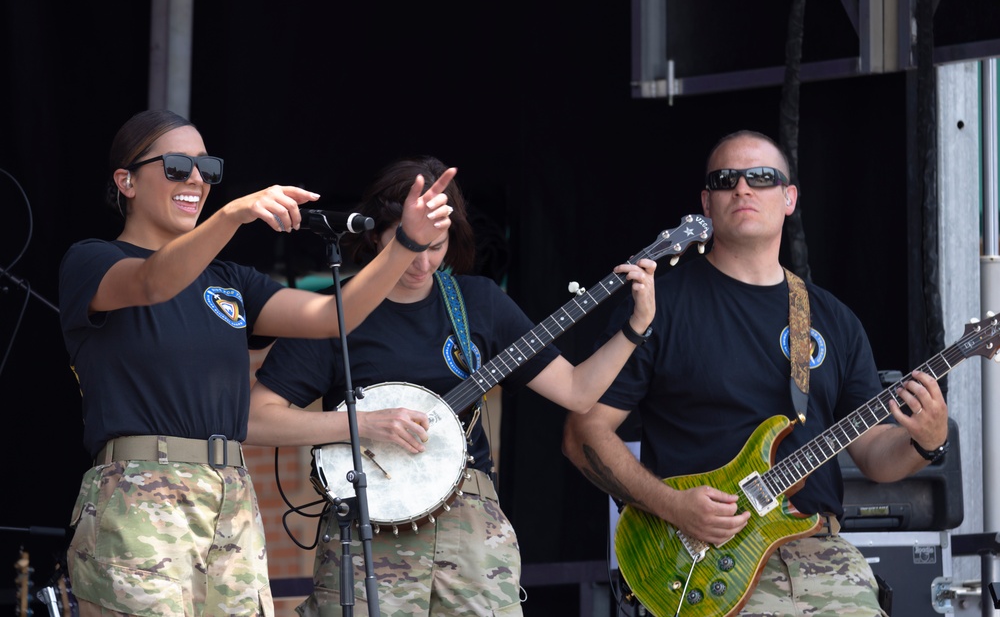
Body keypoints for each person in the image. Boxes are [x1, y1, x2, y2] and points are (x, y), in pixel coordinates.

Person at [58, 109, 455, 617]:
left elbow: (333, 315)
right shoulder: (91, 261)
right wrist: (233, 214)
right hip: (139, 494)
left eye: (208, 169)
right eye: (178, 165)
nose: (197, 179)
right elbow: (152, 282)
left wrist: (405, 245)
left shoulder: (231, 279)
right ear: (126, 181)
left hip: (231, 496)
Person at [245, 154, 658, 617]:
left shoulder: (478, 302)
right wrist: (362, 424)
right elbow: (256, 419)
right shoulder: (333, 313)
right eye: (408, 244)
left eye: (436, 246)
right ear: (377, 235)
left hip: (470, 525)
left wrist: (635, 328)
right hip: (369, 526)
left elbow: (578, 392)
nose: (422, 263)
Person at [562, 130, 952, 617]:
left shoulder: (831, 318)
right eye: (726, 180)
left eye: (762, 178)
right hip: (700, 563)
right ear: (706, 202)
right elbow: (584, 433)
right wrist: (672, 506)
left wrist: (926, 443)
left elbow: (875, 456)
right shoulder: (658, 305)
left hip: (819, 556)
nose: (743, 189)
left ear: (789, 198)